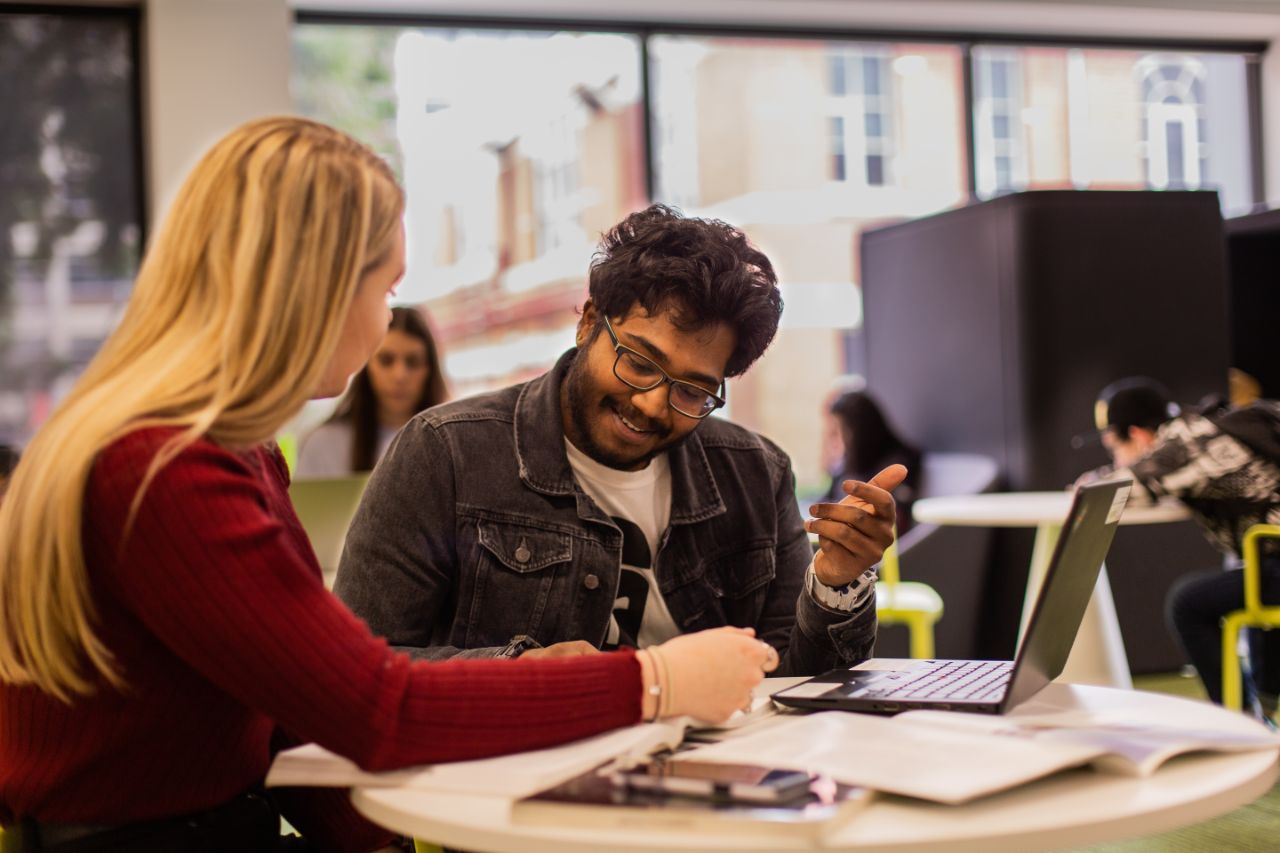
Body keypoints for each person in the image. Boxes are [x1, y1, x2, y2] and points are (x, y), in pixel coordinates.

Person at [0, 118, 777, 853]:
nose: (384, 325)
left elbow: (287, 715)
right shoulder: (165, 467)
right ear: (312, 288)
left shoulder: (229, 449)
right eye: (386, 290)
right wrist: (656, 680)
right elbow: (376, 706)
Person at [335, 203, 905, 673]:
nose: (654, 402)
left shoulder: (756, 473)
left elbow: (799, 680)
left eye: (692, 390)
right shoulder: (447, 453)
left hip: (718, 787)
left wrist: (836, 582)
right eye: (638, 360)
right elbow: (356, 669)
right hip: (523, 781)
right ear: (588, 322)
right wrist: (528, 674)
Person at [1075, 376, 1280, 709]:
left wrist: (1088, 481)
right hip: (1270, 556)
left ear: (1138, 435)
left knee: (1188, 602)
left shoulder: (1185, 444)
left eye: (1115, 448)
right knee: (1244, 578)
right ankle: (1263, 704)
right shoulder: (1211, 427)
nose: (1115, 458)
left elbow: (1112, 491)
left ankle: (1241, 719)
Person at [296, 305, 448, 477]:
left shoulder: (451, 442)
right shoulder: (324, 443)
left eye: (413, 362)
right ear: (366, 366)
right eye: (386, 360)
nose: (399, 375)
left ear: (430, 370)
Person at [823, 390, 921, 533]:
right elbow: (825, 500)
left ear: (858, 431)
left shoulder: (898, 465)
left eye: (838, 431)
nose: (832, 439)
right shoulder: (847, 464)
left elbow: (894, 520)